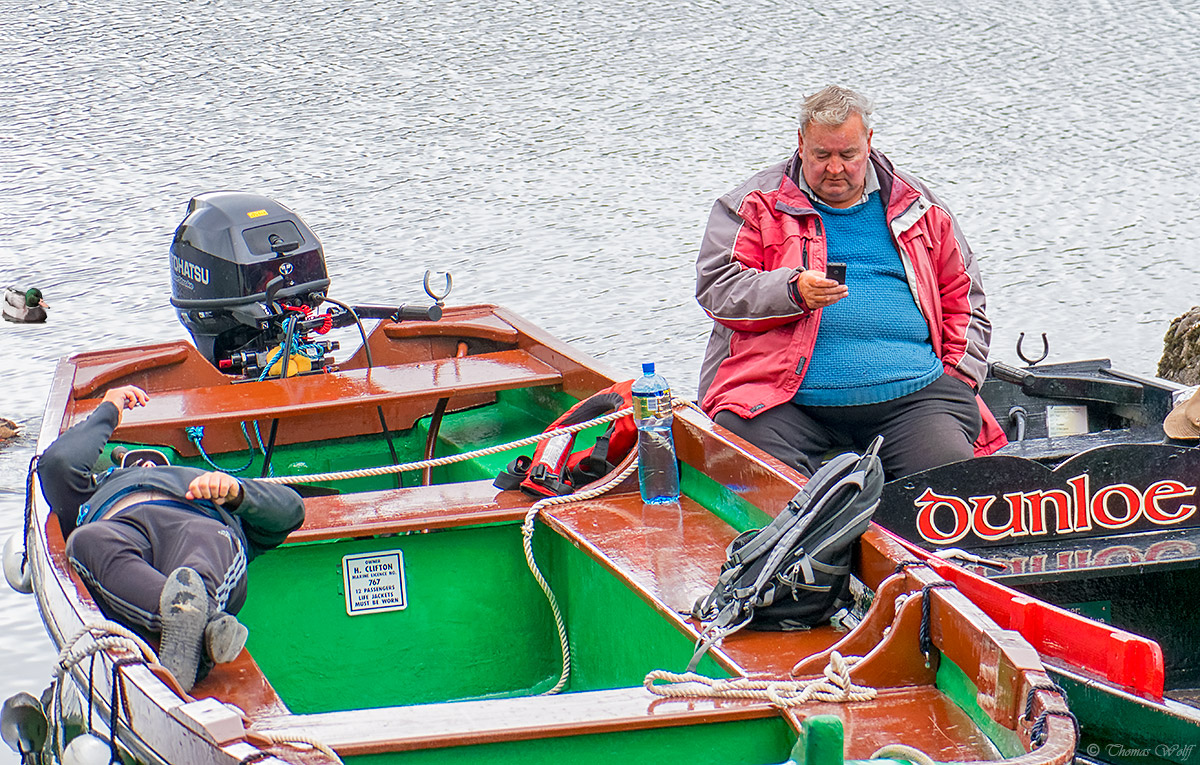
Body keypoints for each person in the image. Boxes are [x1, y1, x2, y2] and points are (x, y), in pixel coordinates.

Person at [696, 85, 1006, 479]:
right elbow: (716, 288)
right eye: (822, 155)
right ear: (801, 143)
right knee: (753, 469)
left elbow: (966, 299)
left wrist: (959, 378)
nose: (835, 168)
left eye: (848, 155)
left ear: (869, 143)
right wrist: (791, 291)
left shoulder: (920, 206)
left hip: (913, 398)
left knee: (949, 487)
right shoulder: (753, 204)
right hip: (783, 399)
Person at [37, 385, 305, 692]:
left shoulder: (208, 486)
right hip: (116, 527)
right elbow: (57, 463)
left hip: (198, 523)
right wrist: (110, 408)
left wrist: (237, 493)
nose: (147, 464)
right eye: (136, 461)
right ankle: (199, 626)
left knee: (206, 545)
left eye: (155, 460)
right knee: (84, 542)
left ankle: (190, 619)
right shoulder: (94, 492)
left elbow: (292, 510)